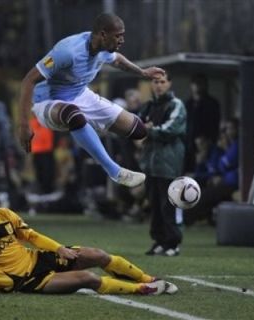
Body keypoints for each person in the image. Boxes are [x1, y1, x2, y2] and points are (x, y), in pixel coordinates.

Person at [0, 176, 177, 297]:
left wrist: (59, 248)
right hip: (23, 281)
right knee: (88, 278)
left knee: (98, 255)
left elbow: (32, 235)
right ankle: (143, 289)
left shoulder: (4, 213)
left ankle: (147, 278)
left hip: (37, 260)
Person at [19, 13, 165, 189]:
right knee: (73, 114)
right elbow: (28, 80)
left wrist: (142, 72)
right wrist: (24, 126)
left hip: (81, 95)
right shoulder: (67, 52)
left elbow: (117, 60)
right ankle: (115, 171)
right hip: (48, 101)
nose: (122, 40)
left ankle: (88, 130)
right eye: (118, 35)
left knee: (138, 130)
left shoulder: (104, 49)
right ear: (103, 34)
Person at [138, 72, 187, 256]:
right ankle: (159, 241)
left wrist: (149, 131)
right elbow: (137, 125)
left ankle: (173, 243)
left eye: (162, 82)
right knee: (155, 205)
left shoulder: (176, 105)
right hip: (150, 164)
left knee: (169, 205)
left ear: (170, 84)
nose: (158, 85)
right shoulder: (149, 106)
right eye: (155, 81)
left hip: (169, 163)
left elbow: (171, 129)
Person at [184, 74, 221, 173]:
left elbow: (214, 125)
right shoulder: (188, 104)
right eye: (195, 83)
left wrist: (209, 143)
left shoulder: (212, 103)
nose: (198, 86)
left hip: (205, 144)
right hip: (189, 145)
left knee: (203, 170)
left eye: (201, 83)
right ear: (191, 85)